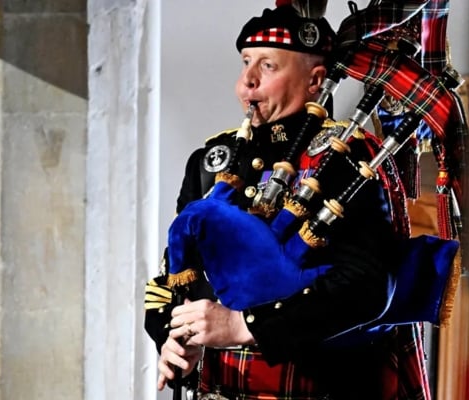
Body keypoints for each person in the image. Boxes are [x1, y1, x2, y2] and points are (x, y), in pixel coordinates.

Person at [144, 4, 431, 399]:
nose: (247, 82)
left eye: (268, 66)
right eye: (246, 62)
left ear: (315, 81)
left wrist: (244, 326)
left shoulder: (350, 160)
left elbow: (368, 286)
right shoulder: (213, 161)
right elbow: (173, 275)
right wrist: (173, 340)